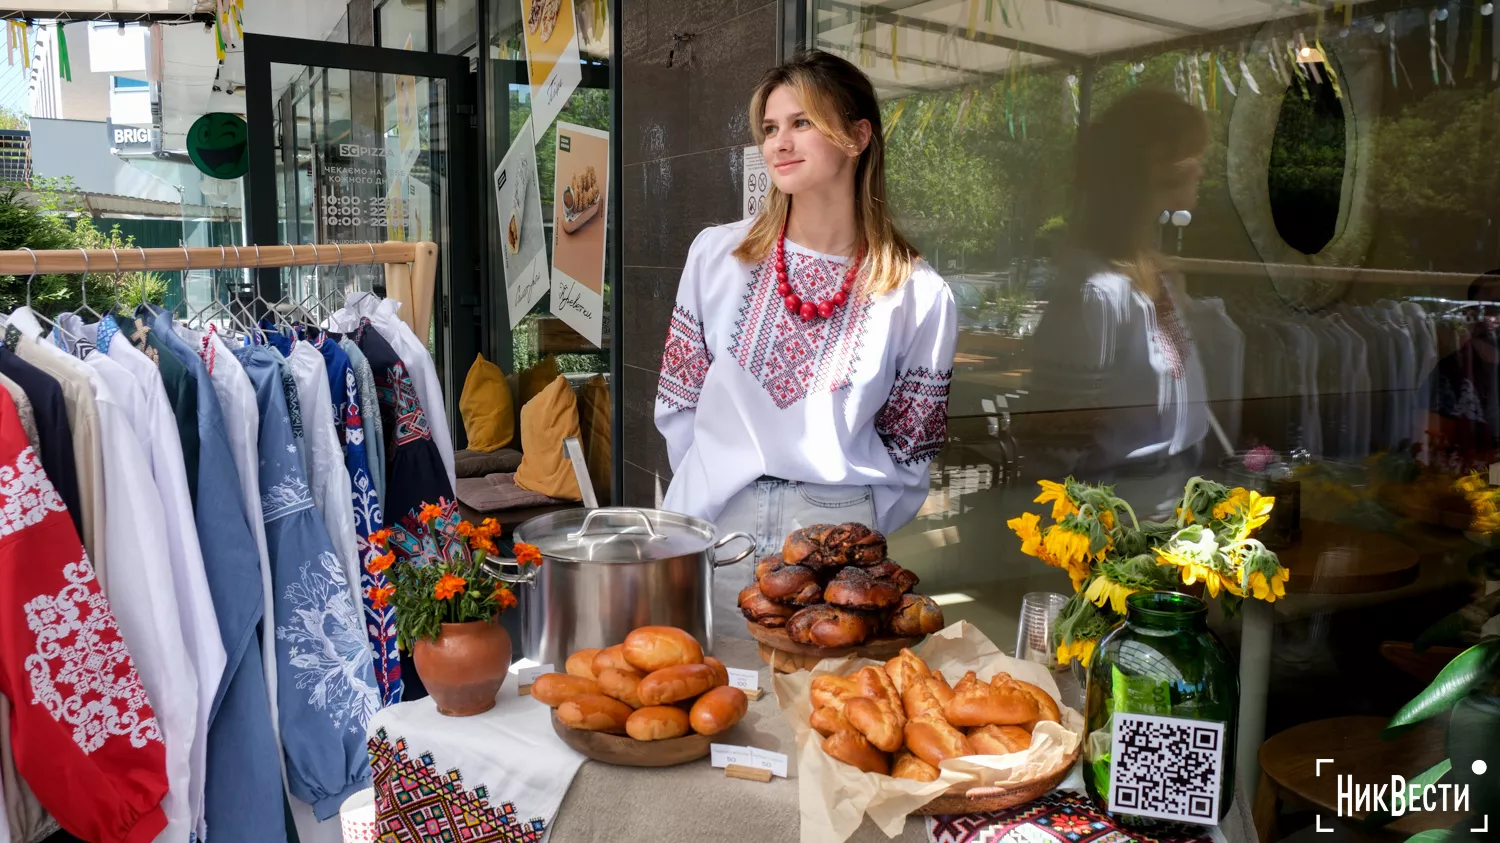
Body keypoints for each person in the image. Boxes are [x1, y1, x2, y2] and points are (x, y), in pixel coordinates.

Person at [653, 50, 957, 639]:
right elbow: (678, 405)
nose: (778, 143)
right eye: (770, 128)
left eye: (802, 123)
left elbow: (910, 453)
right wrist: (714, 486)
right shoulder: (718, 256)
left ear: (856, 136)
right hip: (719, 523)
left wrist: (846, 520)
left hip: (837, 545)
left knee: (818, 719)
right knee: (708, 704)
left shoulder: (918, 294)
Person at [1025, 88, 1213, 512]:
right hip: (1128, 515)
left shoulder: (1145, 273)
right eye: (1191, 156)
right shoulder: (1097, 291)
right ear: (1155, 163)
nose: (1201, 171)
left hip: (1170, 498)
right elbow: (1056, 448)